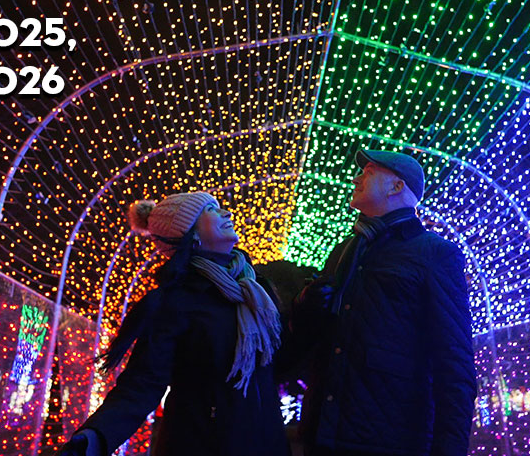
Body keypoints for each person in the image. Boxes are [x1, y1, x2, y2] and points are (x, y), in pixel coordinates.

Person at [57, 192, 290, 456]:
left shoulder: (257, 292)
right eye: (211, 211)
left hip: (266, 444)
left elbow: (280, 365)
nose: (227, 214)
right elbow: (143, 382)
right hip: (201, 445)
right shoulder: (175, 302)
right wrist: (95, 436)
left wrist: (315, 314)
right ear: (192, 236)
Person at [291, 150, 476, 456]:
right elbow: (312, 341)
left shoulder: (434, 253)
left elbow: (454, 362)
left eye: (370, 171)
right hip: (322, 435)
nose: (357, 177)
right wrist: (306, 306)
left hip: (389, 440)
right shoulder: (345, 251)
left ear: (396, 187)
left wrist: (449, 449)